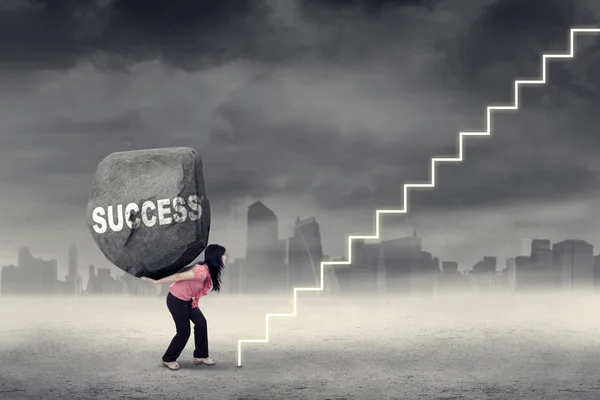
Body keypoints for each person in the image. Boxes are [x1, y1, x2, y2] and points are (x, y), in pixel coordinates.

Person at [141, 244, 226, 370]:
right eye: (223, 255)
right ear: (217, 257)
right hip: (176, 300)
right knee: (184, 332)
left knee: (201, 323)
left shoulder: (208, 270)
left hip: (188, 301)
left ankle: (200, 356)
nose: (225, 257)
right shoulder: (201, 272)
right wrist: (156, 281)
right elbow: (178, 277)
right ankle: (168, 358)